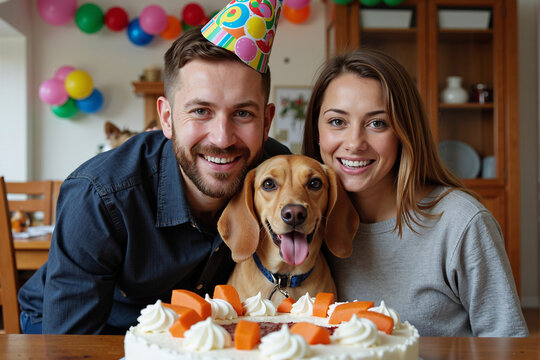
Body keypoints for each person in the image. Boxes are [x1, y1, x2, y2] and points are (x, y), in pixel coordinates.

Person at [17, 24, 289, 334]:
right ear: (167, 118)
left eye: (242, 114)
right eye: (201, 111)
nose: (223, 138)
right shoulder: (100, 196)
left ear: (266, 122)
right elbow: (68, 347)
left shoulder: (277, 175)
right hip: (97, 329)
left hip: (190, 334)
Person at [302, 49, 528, 337]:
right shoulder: (304, 221)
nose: (355, 142)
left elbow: (506, 344)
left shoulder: (461, 222)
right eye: (337, 122)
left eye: (377, 123)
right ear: (316, 131)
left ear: (404, 132)